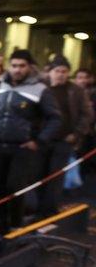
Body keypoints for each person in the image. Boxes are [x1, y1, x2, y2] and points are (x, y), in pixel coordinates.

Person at [0, 50, 62, 234]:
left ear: (30, 67)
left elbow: (55, 119)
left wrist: (39, 141)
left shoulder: (40, 90)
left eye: (22, 66)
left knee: (15, 188)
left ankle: (16, 226)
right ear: (9, 66)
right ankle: (0, 230)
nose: (17, 70)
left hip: (21, 149)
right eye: (14, 65)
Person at [39, 55, 93, 216]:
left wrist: (76, 134)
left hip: (64, 140)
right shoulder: (41, 88)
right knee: (38, 175)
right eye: (57, 71)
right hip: (42, 139)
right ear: (50, 72)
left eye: (64, 71)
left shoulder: (75, 91)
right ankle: (37, 207)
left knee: (56, 177)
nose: (61, 74)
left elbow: (86, 115)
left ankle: (48, 211)